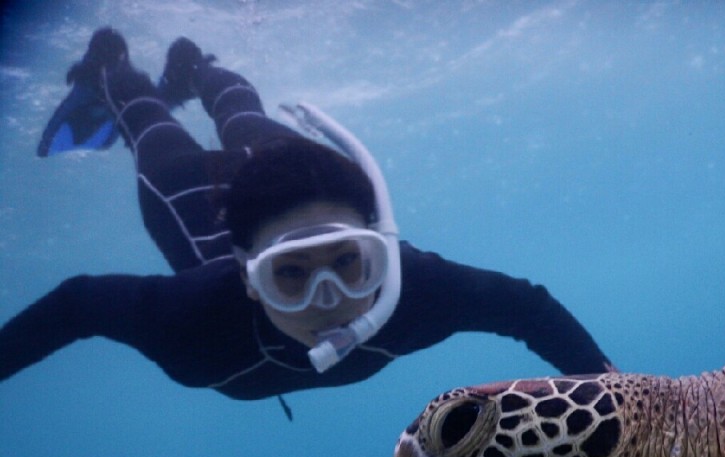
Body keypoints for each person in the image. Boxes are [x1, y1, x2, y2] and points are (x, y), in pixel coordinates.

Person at [0, 28, 614, 416]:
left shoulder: (413, 288)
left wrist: (626, 411)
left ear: (378, 250)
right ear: (247, 278)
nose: (330, 301)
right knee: (148, 122)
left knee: (245, 116)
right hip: (196, 205)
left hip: (272, 174)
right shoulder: (189, 325)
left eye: (350, 263)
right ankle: (109, 63)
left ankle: (196, 66)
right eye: (289, 274)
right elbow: (77, 303)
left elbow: (528, 308)